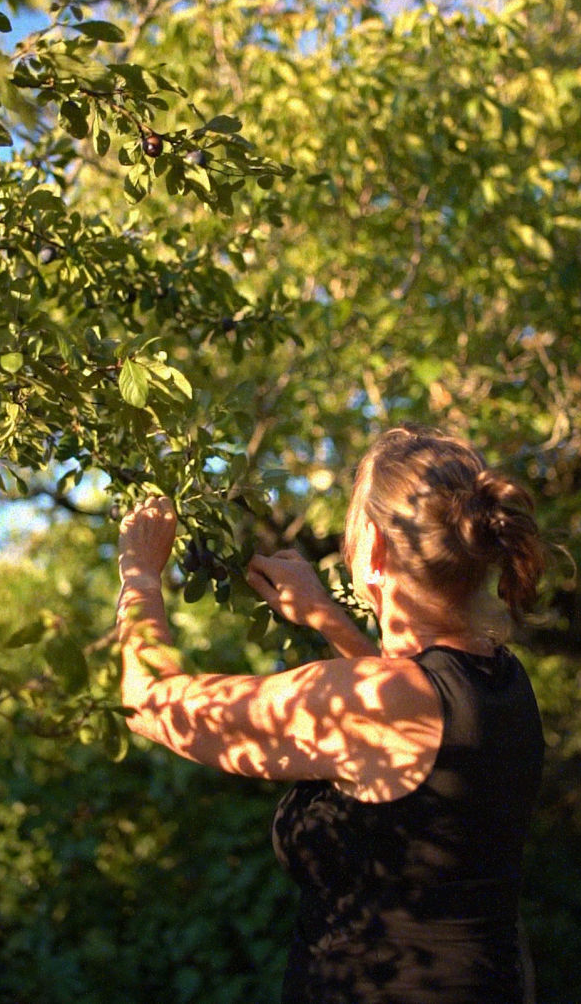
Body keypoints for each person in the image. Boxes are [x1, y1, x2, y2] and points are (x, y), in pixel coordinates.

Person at [116, 424, 546, 1004]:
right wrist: (326, 617)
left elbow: (148, 702)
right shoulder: (502, 680)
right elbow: (411, 735)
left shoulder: (383, 700)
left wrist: (140, 571)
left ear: (374, 551)